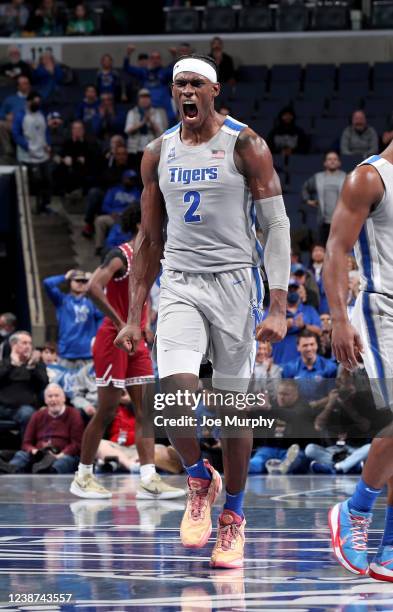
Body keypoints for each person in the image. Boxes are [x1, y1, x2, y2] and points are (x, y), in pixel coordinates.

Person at [114, 53, 291, 569]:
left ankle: (233, 516)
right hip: (181, 283)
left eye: (195, 84)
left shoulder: (246, 144)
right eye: (178, 85)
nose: (186, 92)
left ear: (215, 91)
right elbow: (149, 239)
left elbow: (276, 226)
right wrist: (133, 314)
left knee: (233, 412)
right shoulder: (157, 152)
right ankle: (197, 476)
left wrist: (278, 305)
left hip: (236, 283)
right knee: (173, 393)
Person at [70, 208, 184, 500]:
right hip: (114, 337)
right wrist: (123, 323)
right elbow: (94, 288)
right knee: (107, 409)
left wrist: (145, 324)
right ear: (140, 223)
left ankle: (148, 478)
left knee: (146, 410)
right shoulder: (120, 255)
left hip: (137, 340)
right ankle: (82, 476)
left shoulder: (154, 258)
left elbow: (148, 297)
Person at [323, 141, 393, 581]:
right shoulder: (369, 177)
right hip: (382, 308)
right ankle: (358, 512)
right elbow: (335, 249)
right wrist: (338, 319)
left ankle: (378, 536)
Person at [0, 383, 84, 474]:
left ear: (64, 398)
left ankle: (48, 471)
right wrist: (33, 450)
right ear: (45, 400)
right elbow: (26, 443)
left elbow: (77, 444)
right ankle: (9, 469)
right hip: (40, 454)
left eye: (56, 396)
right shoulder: (37, 415)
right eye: (50, 396)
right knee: (22, 455)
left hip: (62, 454)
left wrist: (60, 455)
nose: (53, 399)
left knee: (64, 462)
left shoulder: (74, 414)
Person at [43, 270, 103, 369]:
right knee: (65, 384)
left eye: (84, 281)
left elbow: (101, 320)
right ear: (70, 282)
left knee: (89, 384)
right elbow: (47, 283)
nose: (80, 283)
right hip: (66, 354)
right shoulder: (62, 300)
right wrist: (65, 276)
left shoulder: (93, 302)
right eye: (77, 280)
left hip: (87, 354)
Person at [0, 331, 48, 435]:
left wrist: (31, 367)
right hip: (3, 407)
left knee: (28, 414)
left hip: (23, 408)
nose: (28, 346)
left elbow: (44, 383)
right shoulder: (4, 363)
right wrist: (12, 364)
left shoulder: (36, 365)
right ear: (14, 345)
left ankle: (26, 449)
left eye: (30, 343)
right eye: (24, 343)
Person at [12, 90, 52, 213]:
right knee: (36, 181)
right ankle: (30, 208)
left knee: (47, 180)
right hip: (28, 155)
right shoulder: (20, 115)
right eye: (35, 102)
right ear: (28, 102)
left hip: (43, 153)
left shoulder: (41, 114)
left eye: (39, 102)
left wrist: (48, 144)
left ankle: (44, 206)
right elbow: (16, 134)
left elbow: (45, 131)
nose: (37, 104)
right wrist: (27, 146)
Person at [82, 142, 129, 238]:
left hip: (126, 197)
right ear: (115, 156)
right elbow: (102, 180)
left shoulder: (132, 168)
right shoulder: (108, 167)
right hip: (109, 194)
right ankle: (89, 224)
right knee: (94, 193)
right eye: (119, 154)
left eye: (123, 154)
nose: (121, 157)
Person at [271, 279, 321, 366]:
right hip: (280, 362)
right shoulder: (274, 311)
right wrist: (285, 325)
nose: (292, 292)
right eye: (289, 290)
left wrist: (304, 326)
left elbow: (319, 331)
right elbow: (264, 334)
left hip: (305, 365)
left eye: (295, 290)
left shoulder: (309, 310)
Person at [302, 151, 346, 245]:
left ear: (339, 163)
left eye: (335, 159)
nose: (332, 161)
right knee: (323, 248)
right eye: (329, 159)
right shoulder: (318, 178)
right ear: (325, 163)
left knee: (339, 248)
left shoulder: (346, 177)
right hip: (323, 222)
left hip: (340, 221)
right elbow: (305, 187)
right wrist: (308, 200)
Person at [123, 45, 175, 124]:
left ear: (161, 60)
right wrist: (128, 54)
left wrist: (174, 56)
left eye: (157, 58)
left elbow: (177, 69)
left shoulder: (165, 72)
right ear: (149, 60)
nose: (155, 60)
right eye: (152, 58)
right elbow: (127, 68)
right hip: (148, 109)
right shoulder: (143, 72)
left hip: (164, 109)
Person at [94, 169, 141, 255]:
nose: (131, 181)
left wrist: (127, 214)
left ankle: (129, 249)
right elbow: (105, 205)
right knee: (100, 220)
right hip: (113, 216)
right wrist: (112, 212)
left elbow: (138, 208)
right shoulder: (114, 190)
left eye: (133, 179)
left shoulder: (137, 192)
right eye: (129, 178)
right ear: (124, 178)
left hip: (128, 218)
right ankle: (99, 247)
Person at [282, 329, 337, 400]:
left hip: (323, 407)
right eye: (305, 345)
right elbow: (287, 395)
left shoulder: (330, 367)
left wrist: (317, 405)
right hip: (298, 409)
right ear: (298, 347)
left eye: (312, 344)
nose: (309, 348)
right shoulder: (289, 368)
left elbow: (332, 395)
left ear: (317, 345)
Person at [125, 88, 168, 174]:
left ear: (150, 99)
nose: (144, 100)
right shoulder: (132, 112)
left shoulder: (156, 113)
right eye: (142, 97)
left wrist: (151, 121)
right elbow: (127, 130)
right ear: (138, 99)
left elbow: (161, 132)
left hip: (151, 149)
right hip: (135, 149)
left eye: (147, 97)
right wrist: (142, 123)